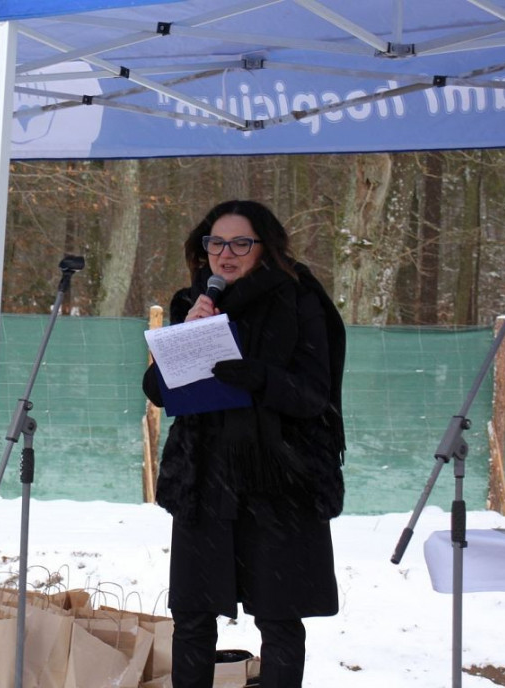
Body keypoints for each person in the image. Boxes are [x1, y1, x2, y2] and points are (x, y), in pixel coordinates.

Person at [143, 200, 346, 688]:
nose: (225, 254)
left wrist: (260, 378)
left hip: (278, 480)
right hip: (205, 480)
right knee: (192, 615)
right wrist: (187, 336)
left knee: (278, 618)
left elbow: (314, 394)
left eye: (240, 243)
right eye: (216, 242)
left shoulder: (298, 300)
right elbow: (156, 391)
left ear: (264, 248)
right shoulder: (193, 301)